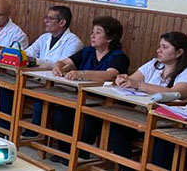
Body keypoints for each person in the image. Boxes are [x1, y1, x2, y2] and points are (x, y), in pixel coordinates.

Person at [105, 32, 187, 171]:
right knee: (117, 127)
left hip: (174, 123)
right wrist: (123, 79)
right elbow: (133, 78)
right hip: (145, 115)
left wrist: (139, 85)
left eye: (165, 47)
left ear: (179, 52)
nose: (159, 50)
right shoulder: (155, 64)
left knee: (160, 138)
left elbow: (178, 92)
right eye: (160, 46)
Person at [50, 16, 130, 155]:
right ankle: (65, 151)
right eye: (92, 31)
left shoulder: (119, 57)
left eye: (98, 32)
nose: (92, 35)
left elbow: (110, 75)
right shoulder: (88, 51)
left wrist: (83, 73)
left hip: (103, 103)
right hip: (79, 98)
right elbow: (63, 62)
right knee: (59, 113)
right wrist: (57, 66)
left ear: (110, 38)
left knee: (88, 121)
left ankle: (81, 152)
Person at [0, 5, 84, 132]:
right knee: (7, 87)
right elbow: (29, 52)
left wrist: (34, 61)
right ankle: (4, 128)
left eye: (50, 19)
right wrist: (13, 54)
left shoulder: (74, 42)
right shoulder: (45, 37)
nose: (45, 21)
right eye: (45, 18)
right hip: (37, 79)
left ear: (62, 22)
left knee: (40, 96)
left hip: (59, 84)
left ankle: (34, 131)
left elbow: (61, 64)